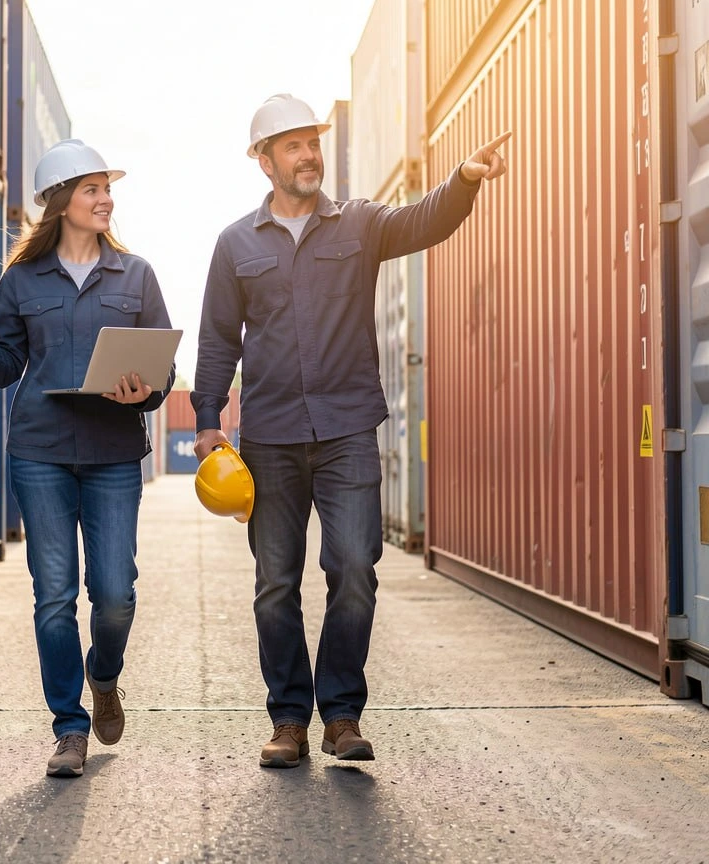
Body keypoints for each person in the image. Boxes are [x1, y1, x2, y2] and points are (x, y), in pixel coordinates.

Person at [191, 94, 510, 768]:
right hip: (271, 437)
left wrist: (463, 180)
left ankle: (341, 714)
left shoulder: (360, 224)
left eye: (314, 142)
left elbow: (425, 220)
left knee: (356, 568)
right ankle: (288, 721)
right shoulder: (235, 244)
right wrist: (207, 422)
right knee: (276, 582)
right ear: (264, 160)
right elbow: (219, 338)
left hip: (347, 431)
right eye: (294, 145)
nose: (310, 154)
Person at [0, 139, 175, 779]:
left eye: (109, 189)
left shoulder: (135, 274)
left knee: (114, 595)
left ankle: (102, 674)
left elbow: (161, 374)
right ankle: (69, 727)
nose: (106, 198)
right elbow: (5, 367)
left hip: (113, 452)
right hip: (41, 453)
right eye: (93, 189)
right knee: (53, 596)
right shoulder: (22, 279)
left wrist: (147, 390)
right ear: (62, 202)